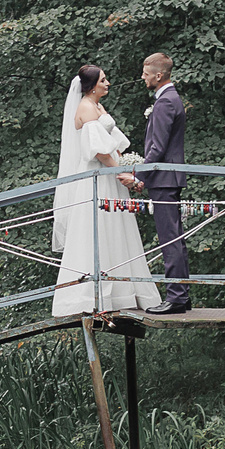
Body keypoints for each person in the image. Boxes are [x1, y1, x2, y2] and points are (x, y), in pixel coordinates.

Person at [51, 64, 164, 317]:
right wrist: (123, 173)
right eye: (103, 80)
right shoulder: (86, 108)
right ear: (92, 86)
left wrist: (126, 166)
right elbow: (100, 151)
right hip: (99, 177)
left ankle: (123, 291)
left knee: (117, 228)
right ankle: (95, 294)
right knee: (98, 227)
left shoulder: (98, 106)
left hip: (110, 174)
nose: (108, 83)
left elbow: (112, 143)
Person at [119, 53, 192, 313]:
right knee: (175, 238)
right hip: (167, 178)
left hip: (164, 178)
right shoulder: (171, 99)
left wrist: (139, 177)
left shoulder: (165, 103)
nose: (142, 77)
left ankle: (176, 297)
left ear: (158, 75)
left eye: (146, 73)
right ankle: (181, 295)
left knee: (169, 238)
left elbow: (157, 148)